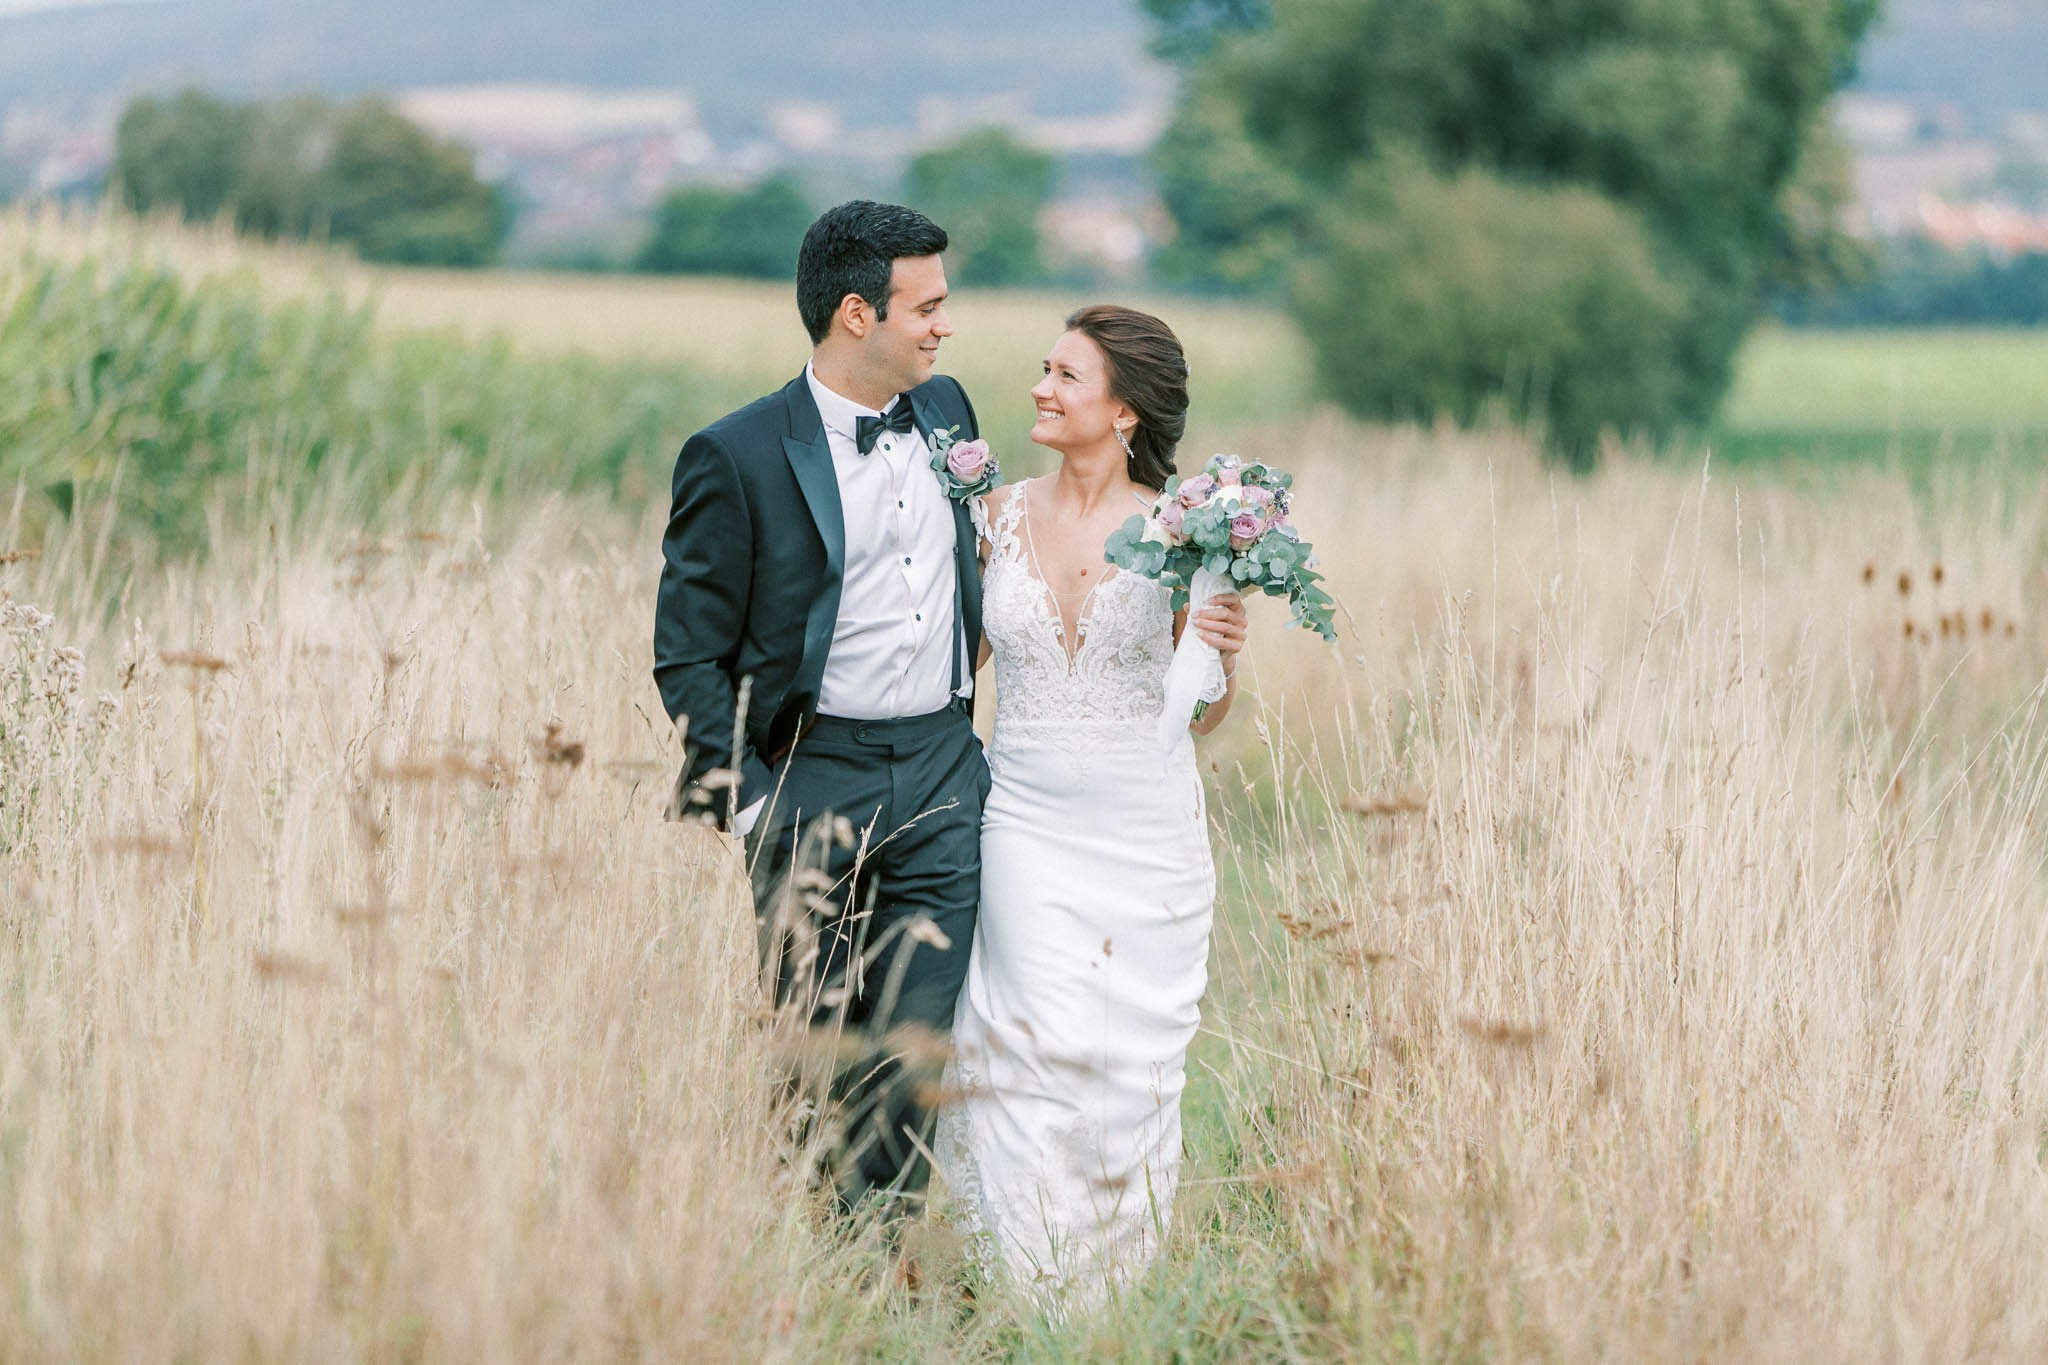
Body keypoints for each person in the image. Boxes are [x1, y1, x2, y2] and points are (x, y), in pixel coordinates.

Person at [653, 200, 988, 1224]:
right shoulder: (737, 455)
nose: (942, 326)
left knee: (914, 1042)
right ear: (856, 314)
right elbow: (687, 655)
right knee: (814, 1043)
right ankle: (810, 1254)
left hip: (940, 773)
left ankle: (884, 1255)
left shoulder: (948, 414)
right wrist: (754, 806)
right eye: (924, 307)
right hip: (812, 777)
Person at [935, 305, 1250, 1297]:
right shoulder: (992, 517)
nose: (1040, 387)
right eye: (1044, 369)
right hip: (1023, 820)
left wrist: (1218, 653)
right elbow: (957, 669)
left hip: (1145, 834)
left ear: (1122, 412)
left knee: (1123, 1071)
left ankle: (1107, 1294)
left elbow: (1201, 718)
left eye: (1066, 376)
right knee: (1025, 1045)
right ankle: (1026, 1283)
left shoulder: (1182, 533)